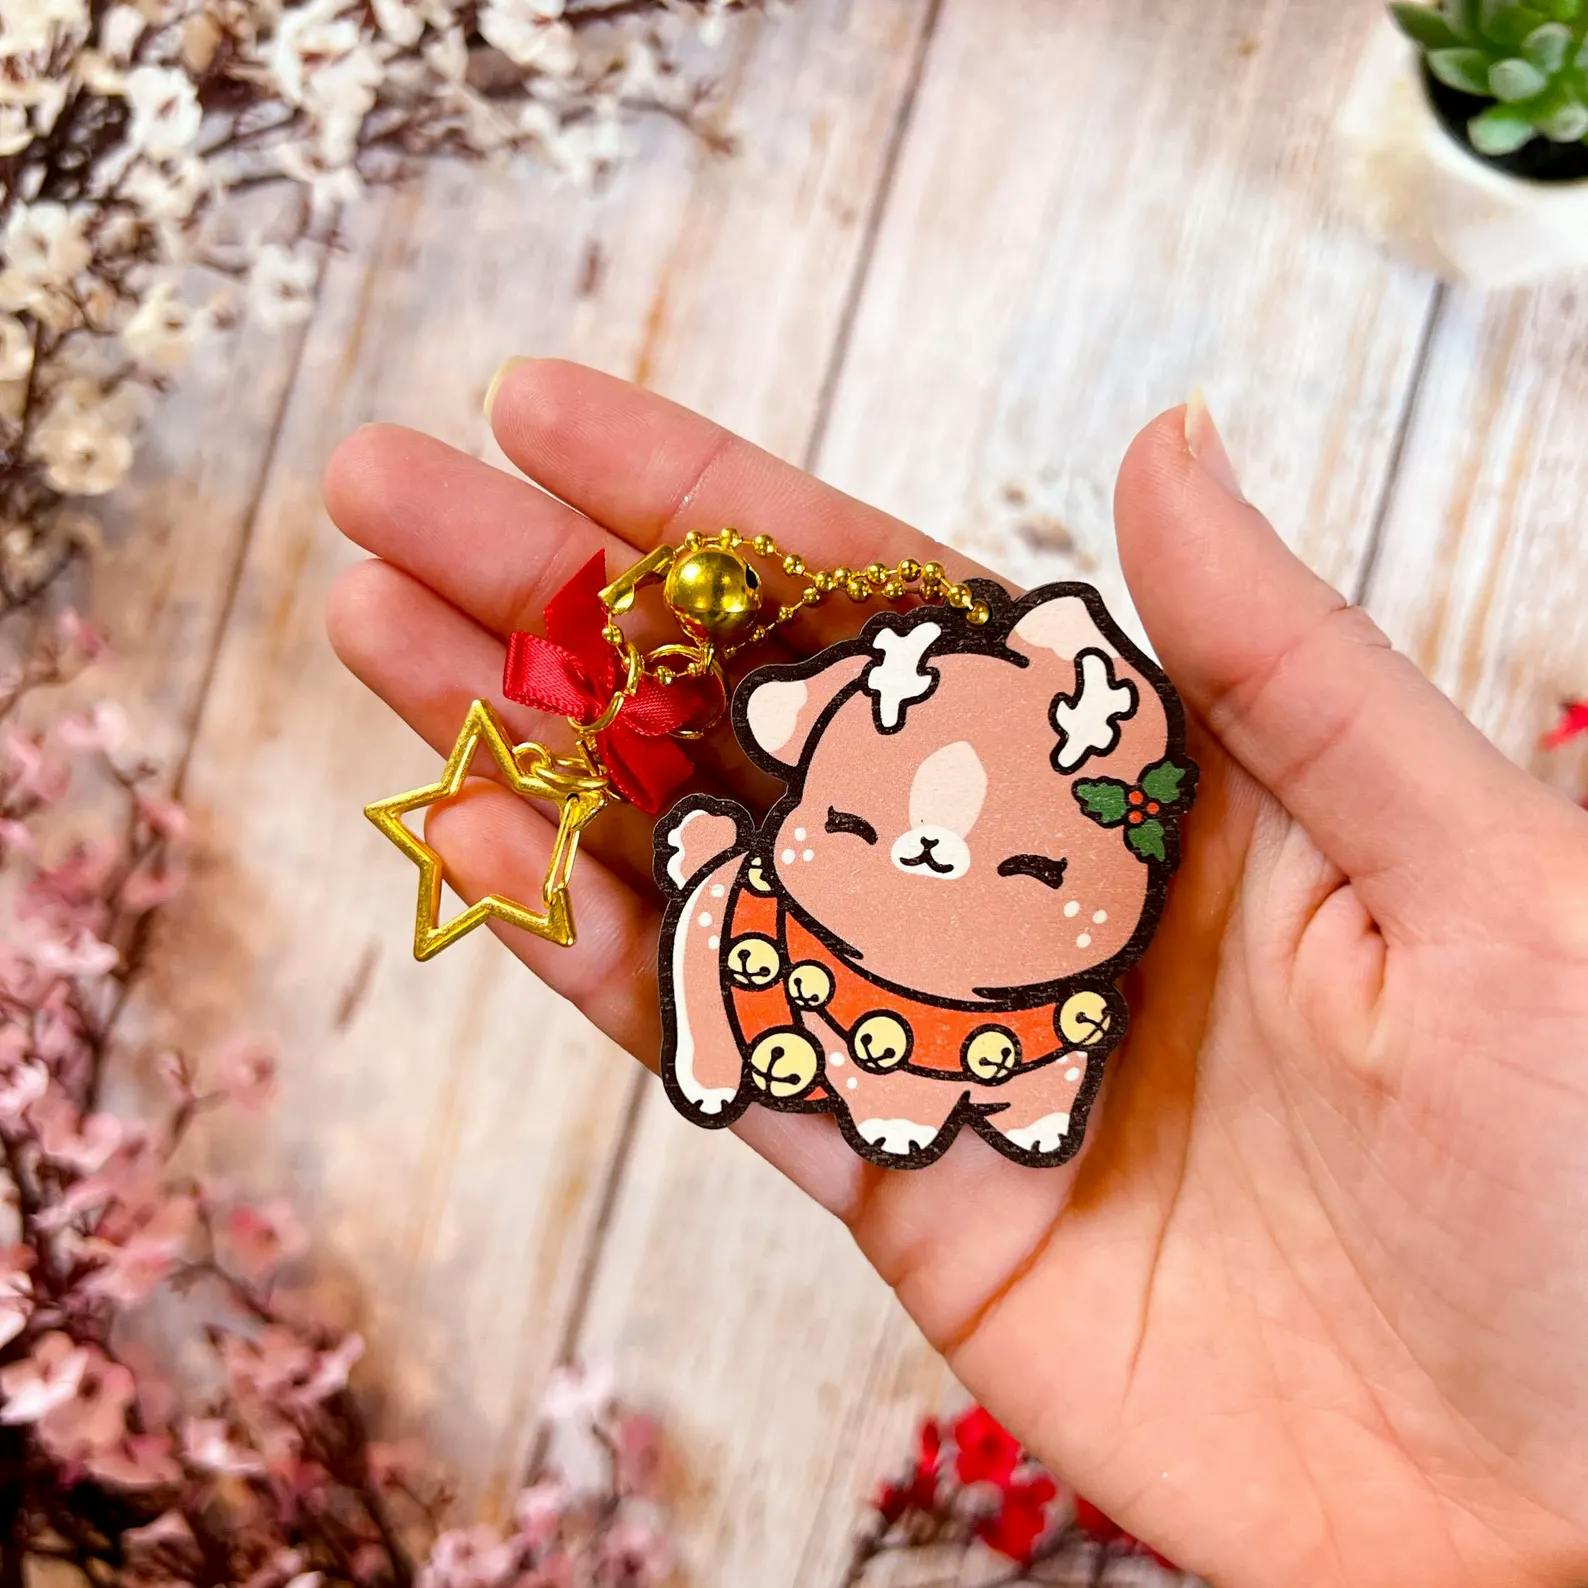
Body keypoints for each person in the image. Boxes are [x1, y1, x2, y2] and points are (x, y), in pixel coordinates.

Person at [323, 360, 1588, 1588]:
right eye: (862, 825)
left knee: (969, 1059)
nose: (931, 856)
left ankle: (857, 1021)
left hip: (995, 1036)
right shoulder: (822, 802)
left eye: (1033, 869)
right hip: (796, 959)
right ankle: (728, 999)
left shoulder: (1085, 921)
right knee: (733, 967)